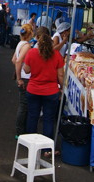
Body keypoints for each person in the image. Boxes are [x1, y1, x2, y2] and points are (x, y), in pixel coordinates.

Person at [23, 27, 65, 156]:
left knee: (32, 117)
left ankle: (31, 146)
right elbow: (61, 75)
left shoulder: (31, 53)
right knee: (48, 120)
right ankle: (47, 149)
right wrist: (62, 89)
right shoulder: (56, 55)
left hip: (33, 89)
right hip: (51, 91)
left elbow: (26, 70)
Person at [12, 23, 34, 139]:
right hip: (25, 78)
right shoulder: (27, 46)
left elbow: (13, 59)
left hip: (22, 77)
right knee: (24, 106)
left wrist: (18, 73)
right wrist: (20, 77)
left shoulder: (20, 44)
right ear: (30, 33)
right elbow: (18, 61)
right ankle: (20, 132)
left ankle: (21, 130)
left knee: (24, 105)